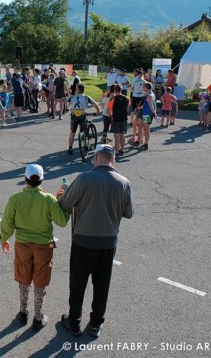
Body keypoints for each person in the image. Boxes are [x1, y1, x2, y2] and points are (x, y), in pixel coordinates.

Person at [57, 144, 133, 338]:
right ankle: (96, 323)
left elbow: (65, 203)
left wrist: (64, 192)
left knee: (78, 282)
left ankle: (74, 321)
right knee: (102, 284)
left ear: (96, 158)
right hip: (108, 242)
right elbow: (129, 213)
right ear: (113, 160)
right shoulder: (124, 182)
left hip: (83, 240)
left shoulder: (84, 179)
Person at [0, 164, 68, 330]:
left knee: (23, 277)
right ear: (42, 180)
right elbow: (62, 221)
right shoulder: (49, 199)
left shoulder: (15, 199)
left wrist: (4, 238)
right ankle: (38, 317)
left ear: (25, 179)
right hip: (44, 246)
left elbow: (7, 221)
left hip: (22, 244)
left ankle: (23, 312)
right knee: (40, 280)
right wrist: (61, 200)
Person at [66, 84, 100, 155]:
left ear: (77, 90)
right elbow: (96, 104)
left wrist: (66, 109)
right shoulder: (86, 97)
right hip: (82, 116)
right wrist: (98, 111)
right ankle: (85, 146)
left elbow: (66, 105)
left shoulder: (72, 97)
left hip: (73, 116)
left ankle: (70, 148)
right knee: (83, 132)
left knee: (72, 133)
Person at [107, 84, 129, 156]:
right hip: (124, 119)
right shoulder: (126, 98)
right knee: (122, 135)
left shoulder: (112, 99)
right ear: (121, 89)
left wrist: (111, 115)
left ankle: (116, 150)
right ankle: (122, 150)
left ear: (114, 90)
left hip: (116, 119)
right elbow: (127, 109)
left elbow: (108, 110)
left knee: (116, 135)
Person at [135, 83, 156, 150]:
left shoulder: (149, 96)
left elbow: (151, 106)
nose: (143, 88)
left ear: (146, 87)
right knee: (140, 127)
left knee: (147, 130)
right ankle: (138, 141)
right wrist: (138, 108)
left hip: (147, 114)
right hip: (144, 113)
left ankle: (146, 144)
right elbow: (146, 105)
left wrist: (154, 113)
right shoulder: (149, 94)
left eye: (143, 87)